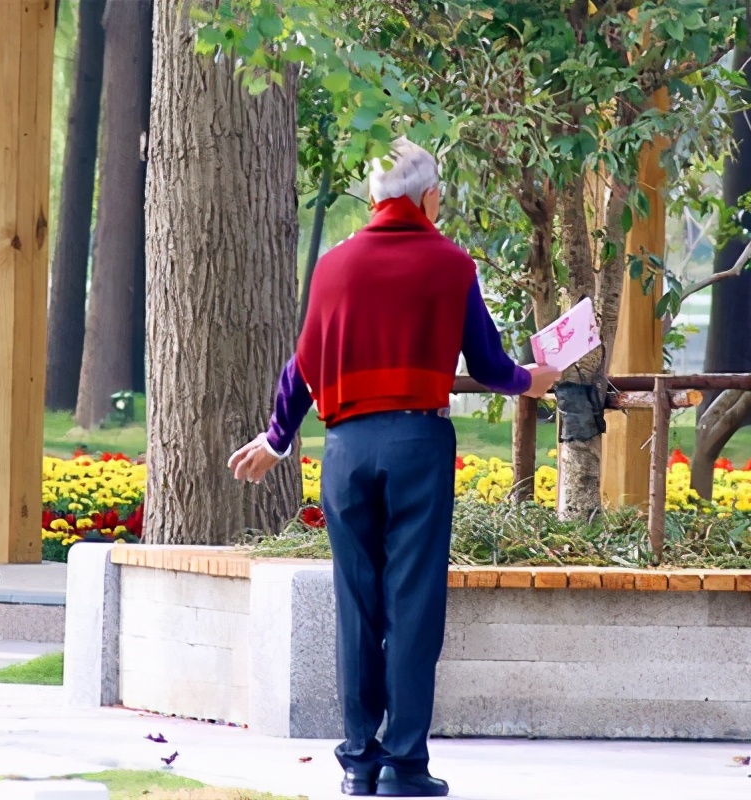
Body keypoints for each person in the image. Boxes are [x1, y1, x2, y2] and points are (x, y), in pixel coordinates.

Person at [228, 138, 560, 798]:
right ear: (427, 197)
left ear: (377, 197)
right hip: (417, 444)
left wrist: (277, 438)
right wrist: (534, 381)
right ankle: (405, 765)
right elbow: (490, 365)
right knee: (413, 603)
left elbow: (301, 369)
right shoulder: (451, 264)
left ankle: (357, 761)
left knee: (357, 602)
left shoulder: (333, 268)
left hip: (347, 448)